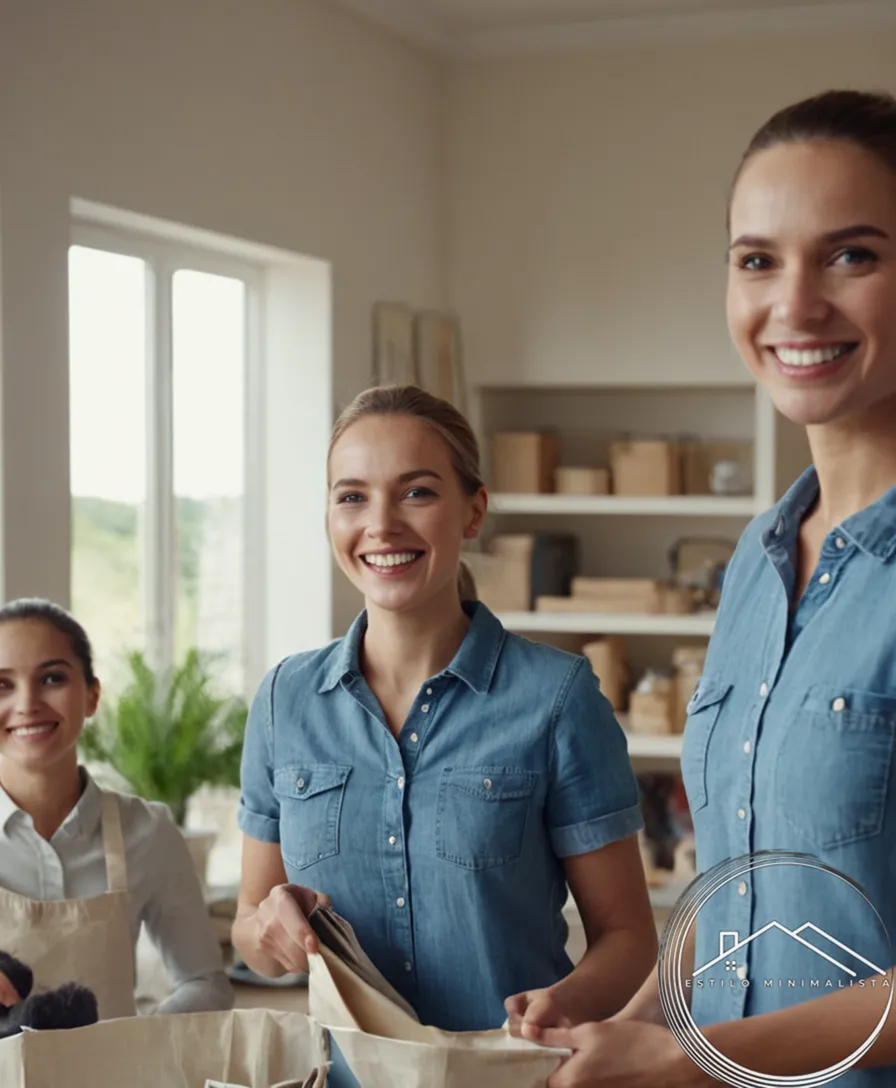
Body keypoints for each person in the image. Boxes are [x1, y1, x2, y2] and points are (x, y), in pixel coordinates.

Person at [512, 88, 896, 1086]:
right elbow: (731, 892)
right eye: (756, 259)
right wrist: (627, 1024)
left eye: (851, 254)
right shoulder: (753, 568)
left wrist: (690, 1057)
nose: (794, 303)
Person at [232, 384, 657, 1076]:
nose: (381, 525)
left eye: (417, 492)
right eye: (351, 497)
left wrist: (563, 1002)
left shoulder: (556, 699)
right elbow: (252, 923)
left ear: (474, 511)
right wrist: (269, 929)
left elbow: (627, 937)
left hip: (504, 1076)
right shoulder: (285, 700)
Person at [0, 598, 234, 1018]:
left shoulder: (148, 831)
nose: (27, 703)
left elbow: (205, 984)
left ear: (91, 695)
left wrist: (135, 1046)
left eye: (52, 678)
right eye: (2, 685)